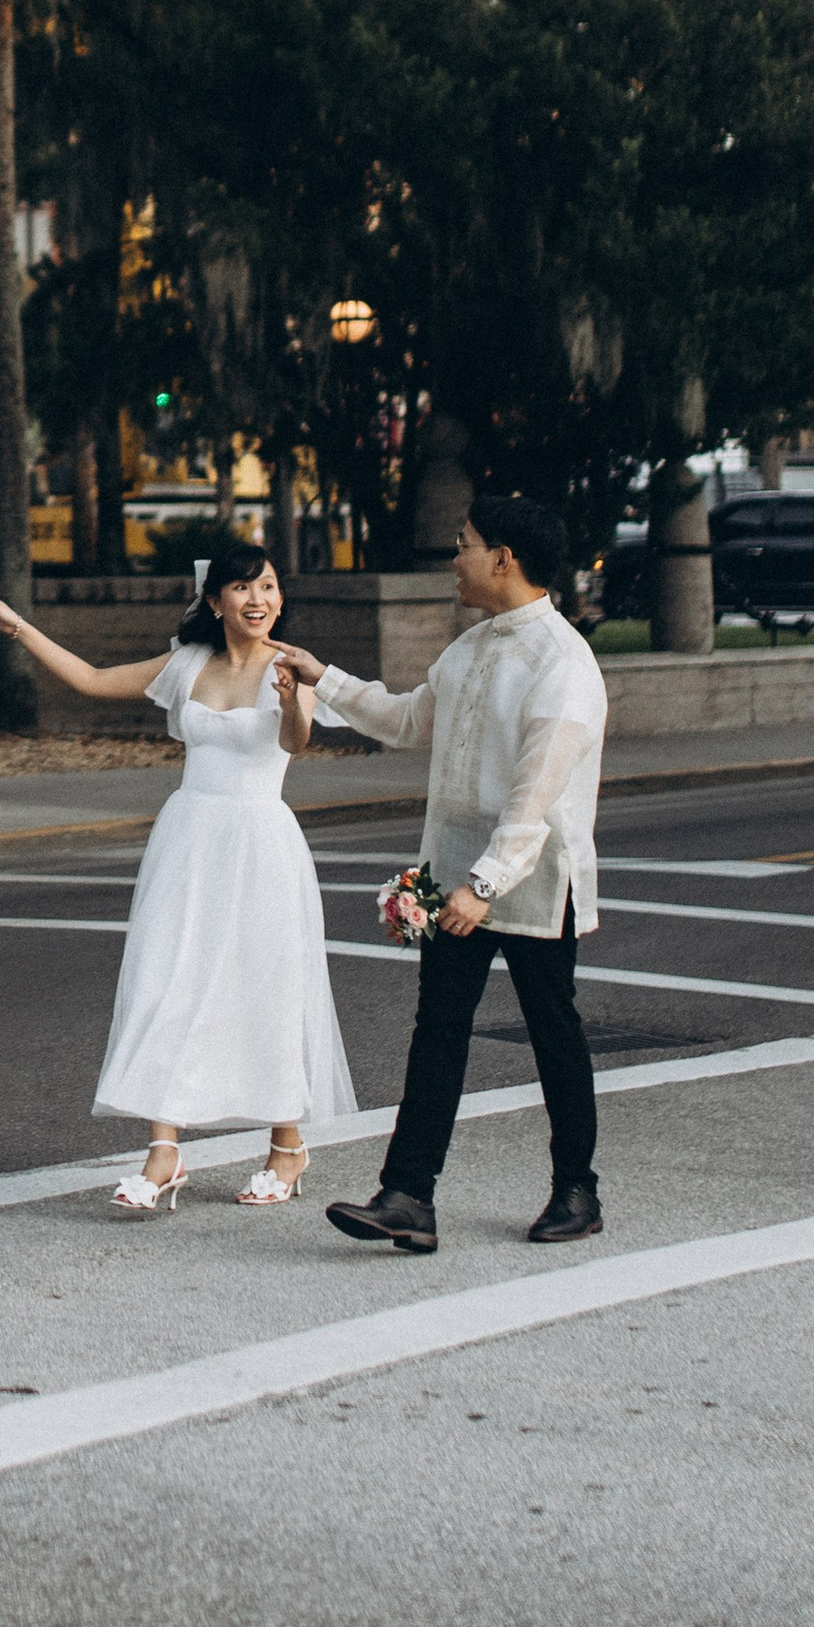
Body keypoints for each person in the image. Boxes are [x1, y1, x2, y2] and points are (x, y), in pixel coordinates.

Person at [0, 552, 358, 1209]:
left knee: (265, 984)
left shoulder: (292, 666)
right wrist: (16, 626)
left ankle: (287, 1148)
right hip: (188, 841)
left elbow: (295, 743)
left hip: (261, 844)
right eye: (241, 587)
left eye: (267, 586)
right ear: (215, 601)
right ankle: (163, 1153)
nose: (256, 598)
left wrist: (294, 702)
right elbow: (92, 680)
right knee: (166, 978)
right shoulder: (186, 665)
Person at [277, 490, 607, 1257]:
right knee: (439, 1032)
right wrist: (322, 677)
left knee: (553, 1029)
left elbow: (537, 798)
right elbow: (404, 720)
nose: (453, 559)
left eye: (463, 544)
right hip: (452, 869)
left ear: (503, 558)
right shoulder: (470, 647)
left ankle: (577, 1189)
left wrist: (483, 887)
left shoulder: (563, 664)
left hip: (530, 877)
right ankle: (408, 1196)